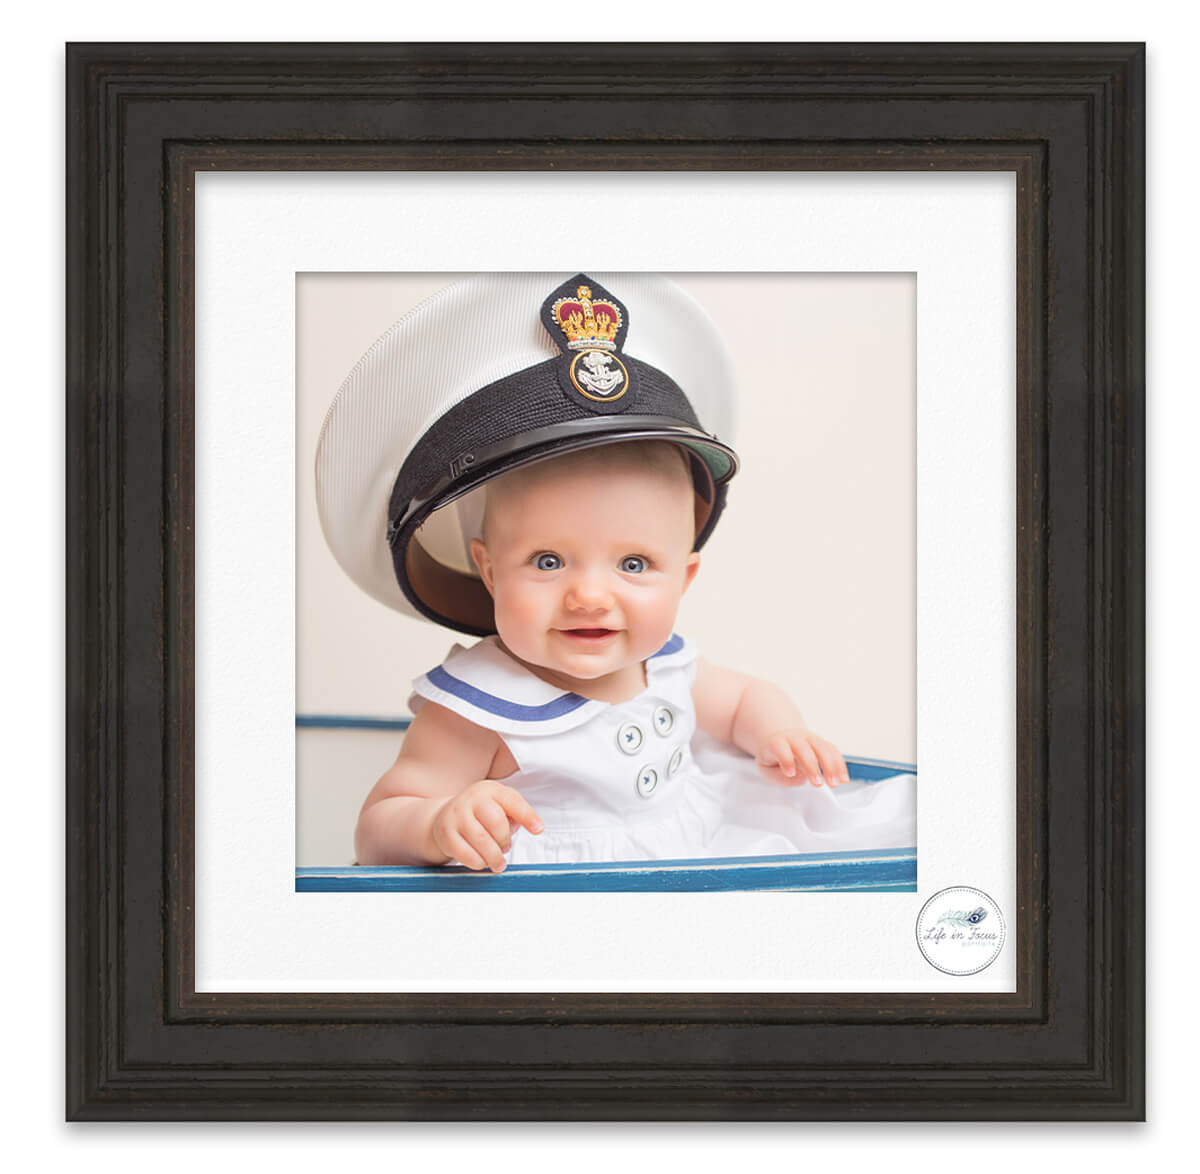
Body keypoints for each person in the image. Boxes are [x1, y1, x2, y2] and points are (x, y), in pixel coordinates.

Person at [316, 271, 916, 870]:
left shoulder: (664, 665)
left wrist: (782, 733)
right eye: (548, 561)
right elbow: (378, 827)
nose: (590, 596)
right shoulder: (478, 708)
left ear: (684, 578)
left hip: (698, 851)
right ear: (490, 572)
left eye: (634, 564)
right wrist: (437, 824)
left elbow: (744, 701)